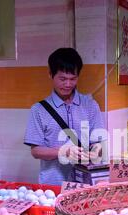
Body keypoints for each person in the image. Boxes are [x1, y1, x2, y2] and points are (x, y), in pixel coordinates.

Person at [24, 48, 105, 185]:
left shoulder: (90, 105)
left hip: (85, 182)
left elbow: (99, 141)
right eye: (62, 79)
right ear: (51, 74)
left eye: (73, 79)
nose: (68, 84)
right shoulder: (38, 110)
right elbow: (36, 151)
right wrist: (62, 152)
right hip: (53, 183)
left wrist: (96, 151)